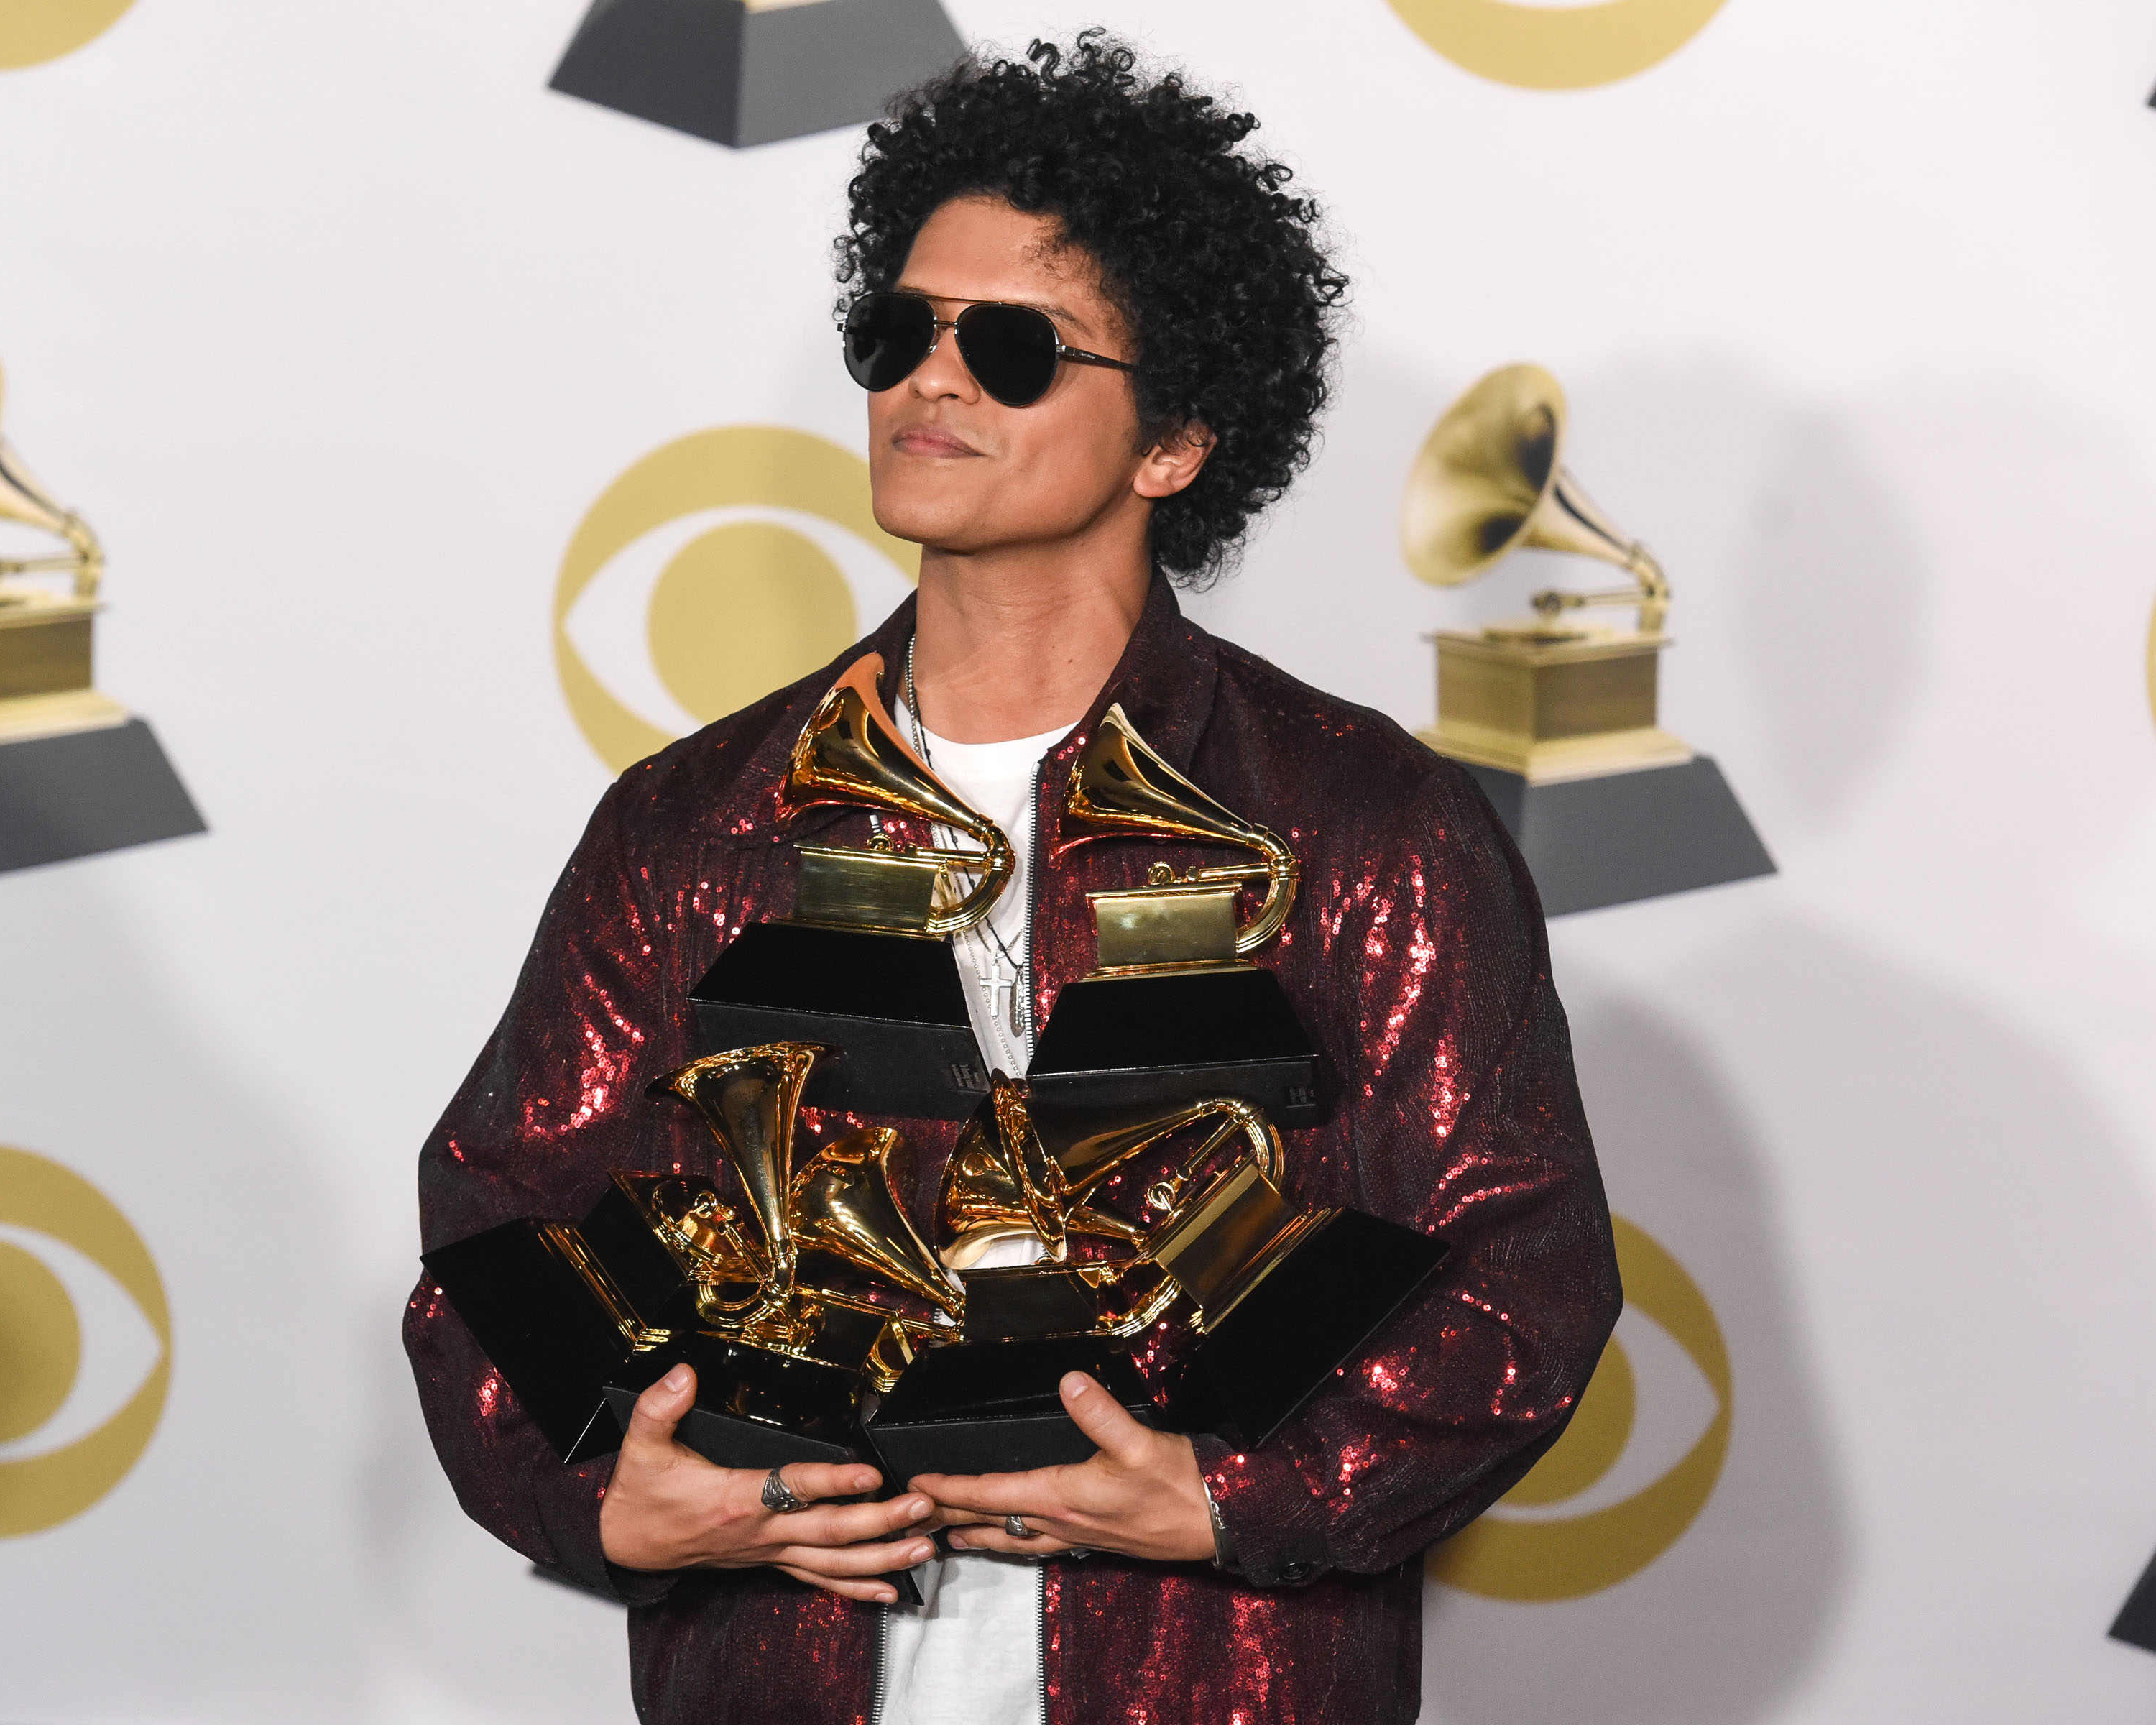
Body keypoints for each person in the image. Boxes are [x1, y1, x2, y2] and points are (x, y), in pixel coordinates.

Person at [405, 32, 1620, 1725]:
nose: (931, 381)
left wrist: (1235, 1497)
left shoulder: (1367, 823)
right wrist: (598, 1493)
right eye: (898, 330)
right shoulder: (688, 823)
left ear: (1179, 435)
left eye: (1013, 346)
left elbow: (1521, 1273)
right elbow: (499, 1219)